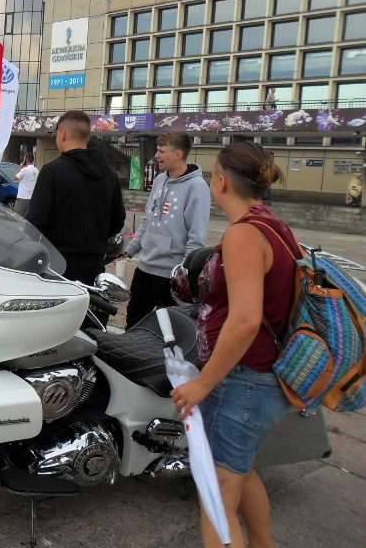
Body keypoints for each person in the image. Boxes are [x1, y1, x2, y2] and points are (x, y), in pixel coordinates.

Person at [170, 142, 294, 548]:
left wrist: (202, 383)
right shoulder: (274, 226)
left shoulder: (244, 234)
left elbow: (244, 321)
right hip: (261, 379)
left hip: (242, 382)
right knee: (240, 473)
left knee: (217, 500)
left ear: (220, 181)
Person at [26, 110, 125, 284]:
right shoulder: (110, 175)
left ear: (63, 134)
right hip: (94, 265)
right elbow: (118, 221)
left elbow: (35, 221)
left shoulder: (52, 171)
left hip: (56, 266)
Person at [123, 132, 210, 328]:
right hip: (145, 269)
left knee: (168, 331)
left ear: (178, 154)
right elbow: (148, 218)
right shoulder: (160, 180)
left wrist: (182, 273)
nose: (156, 155)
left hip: (170, 276)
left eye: (161, 151)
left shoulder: (197, 187)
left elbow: (197, 237)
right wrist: (131, 248)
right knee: (134, 324)